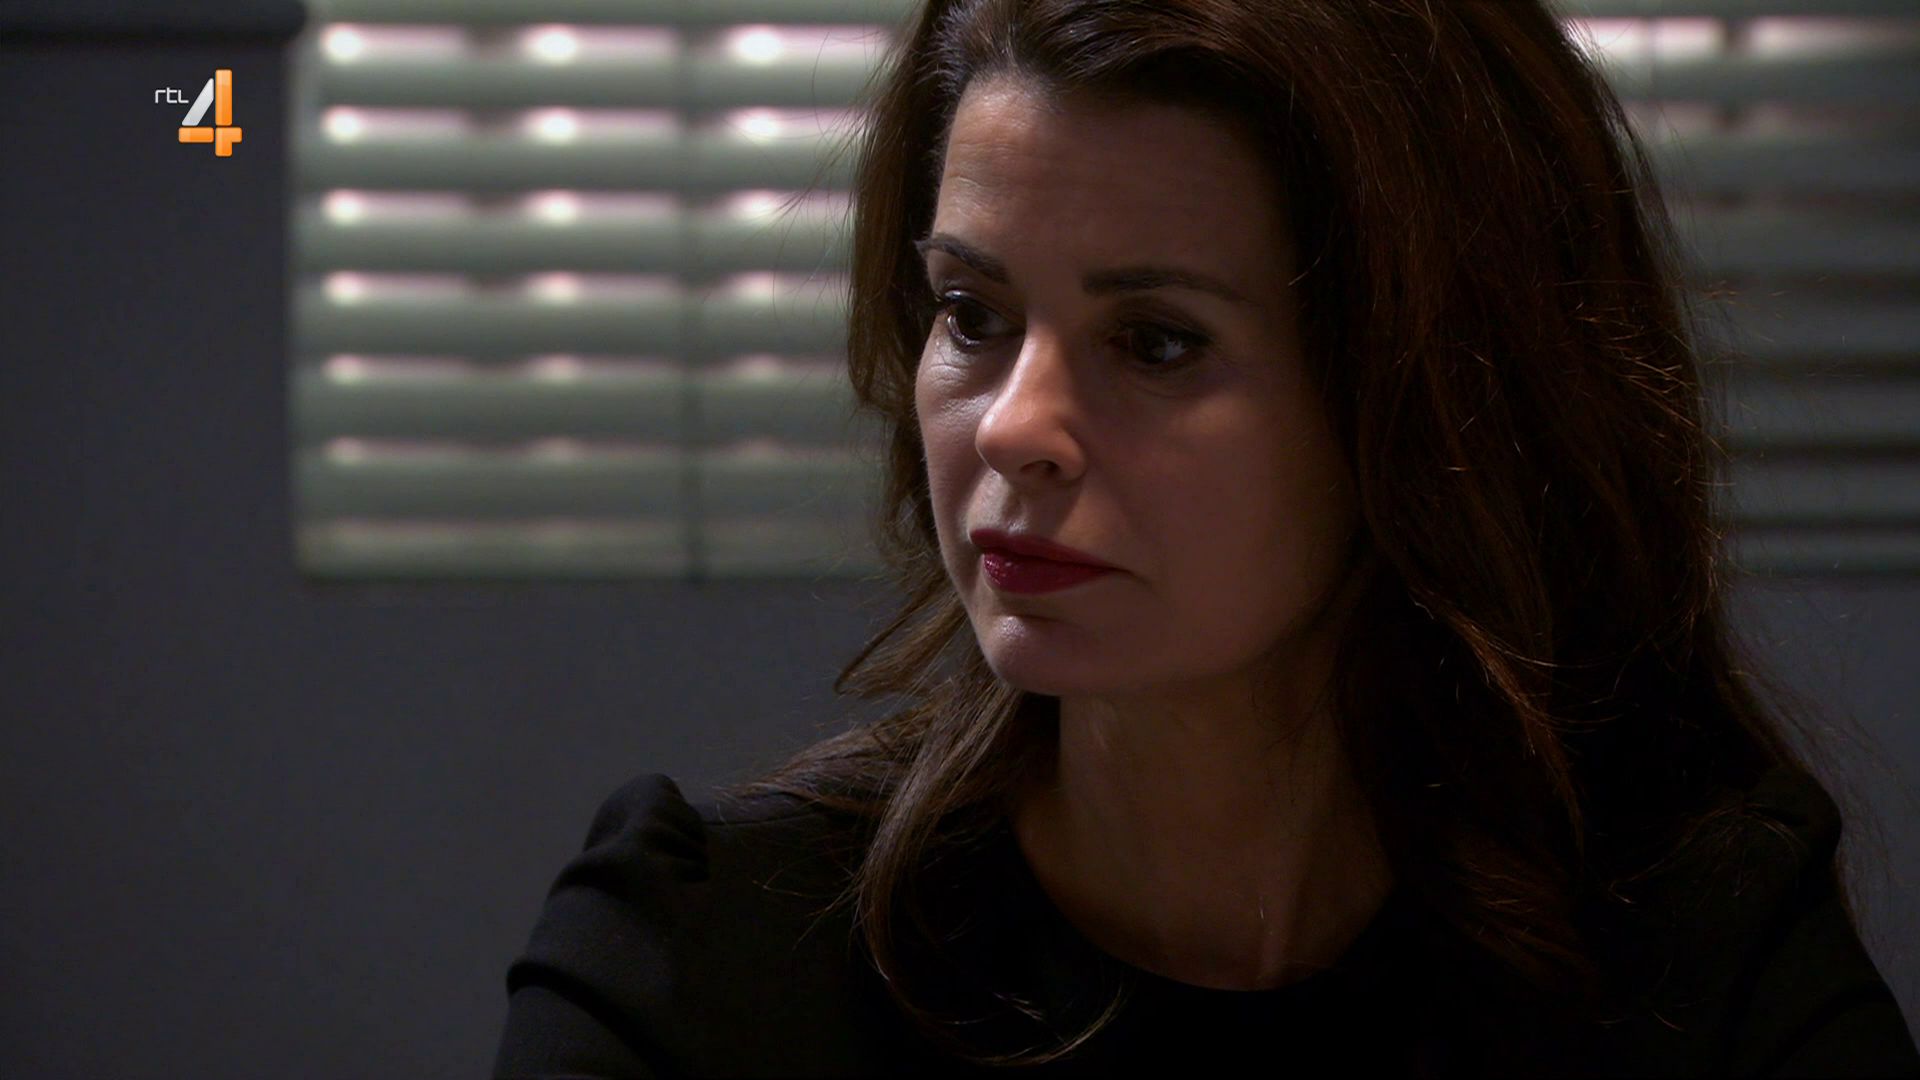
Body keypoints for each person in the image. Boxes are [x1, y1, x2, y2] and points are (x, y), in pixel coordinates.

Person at [493, 1, 1920, 1075]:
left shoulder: (1693, 954)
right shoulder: (705, 961)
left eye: (1157, 341)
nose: (1016, 427)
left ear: (1431, 409)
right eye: (973, 316)